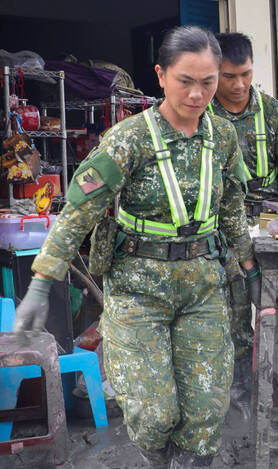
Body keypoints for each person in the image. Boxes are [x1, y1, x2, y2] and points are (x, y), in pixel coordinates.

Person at [13, 26, 260, 468]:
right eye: (186, 81)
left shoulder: (222, 138)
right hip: (137, 290)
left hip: (204, 286)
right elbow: (78, 213)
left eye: (208, 82)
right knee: (153, 413)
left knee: (205, 412)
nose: (198, 94)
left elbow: (232, 209)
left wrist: (249, 270)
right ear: (161, 75)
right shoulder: (129, 139)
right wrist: (42, 280)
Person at [209, 32, 278, 416]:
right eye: (229, 76)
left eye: (246, 74)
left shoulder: (274, 112)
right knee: (233, 315)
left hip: (272, 224)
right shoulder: (202, 116)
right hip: (221, 231)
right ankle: (241, 396)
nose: (238, 85)